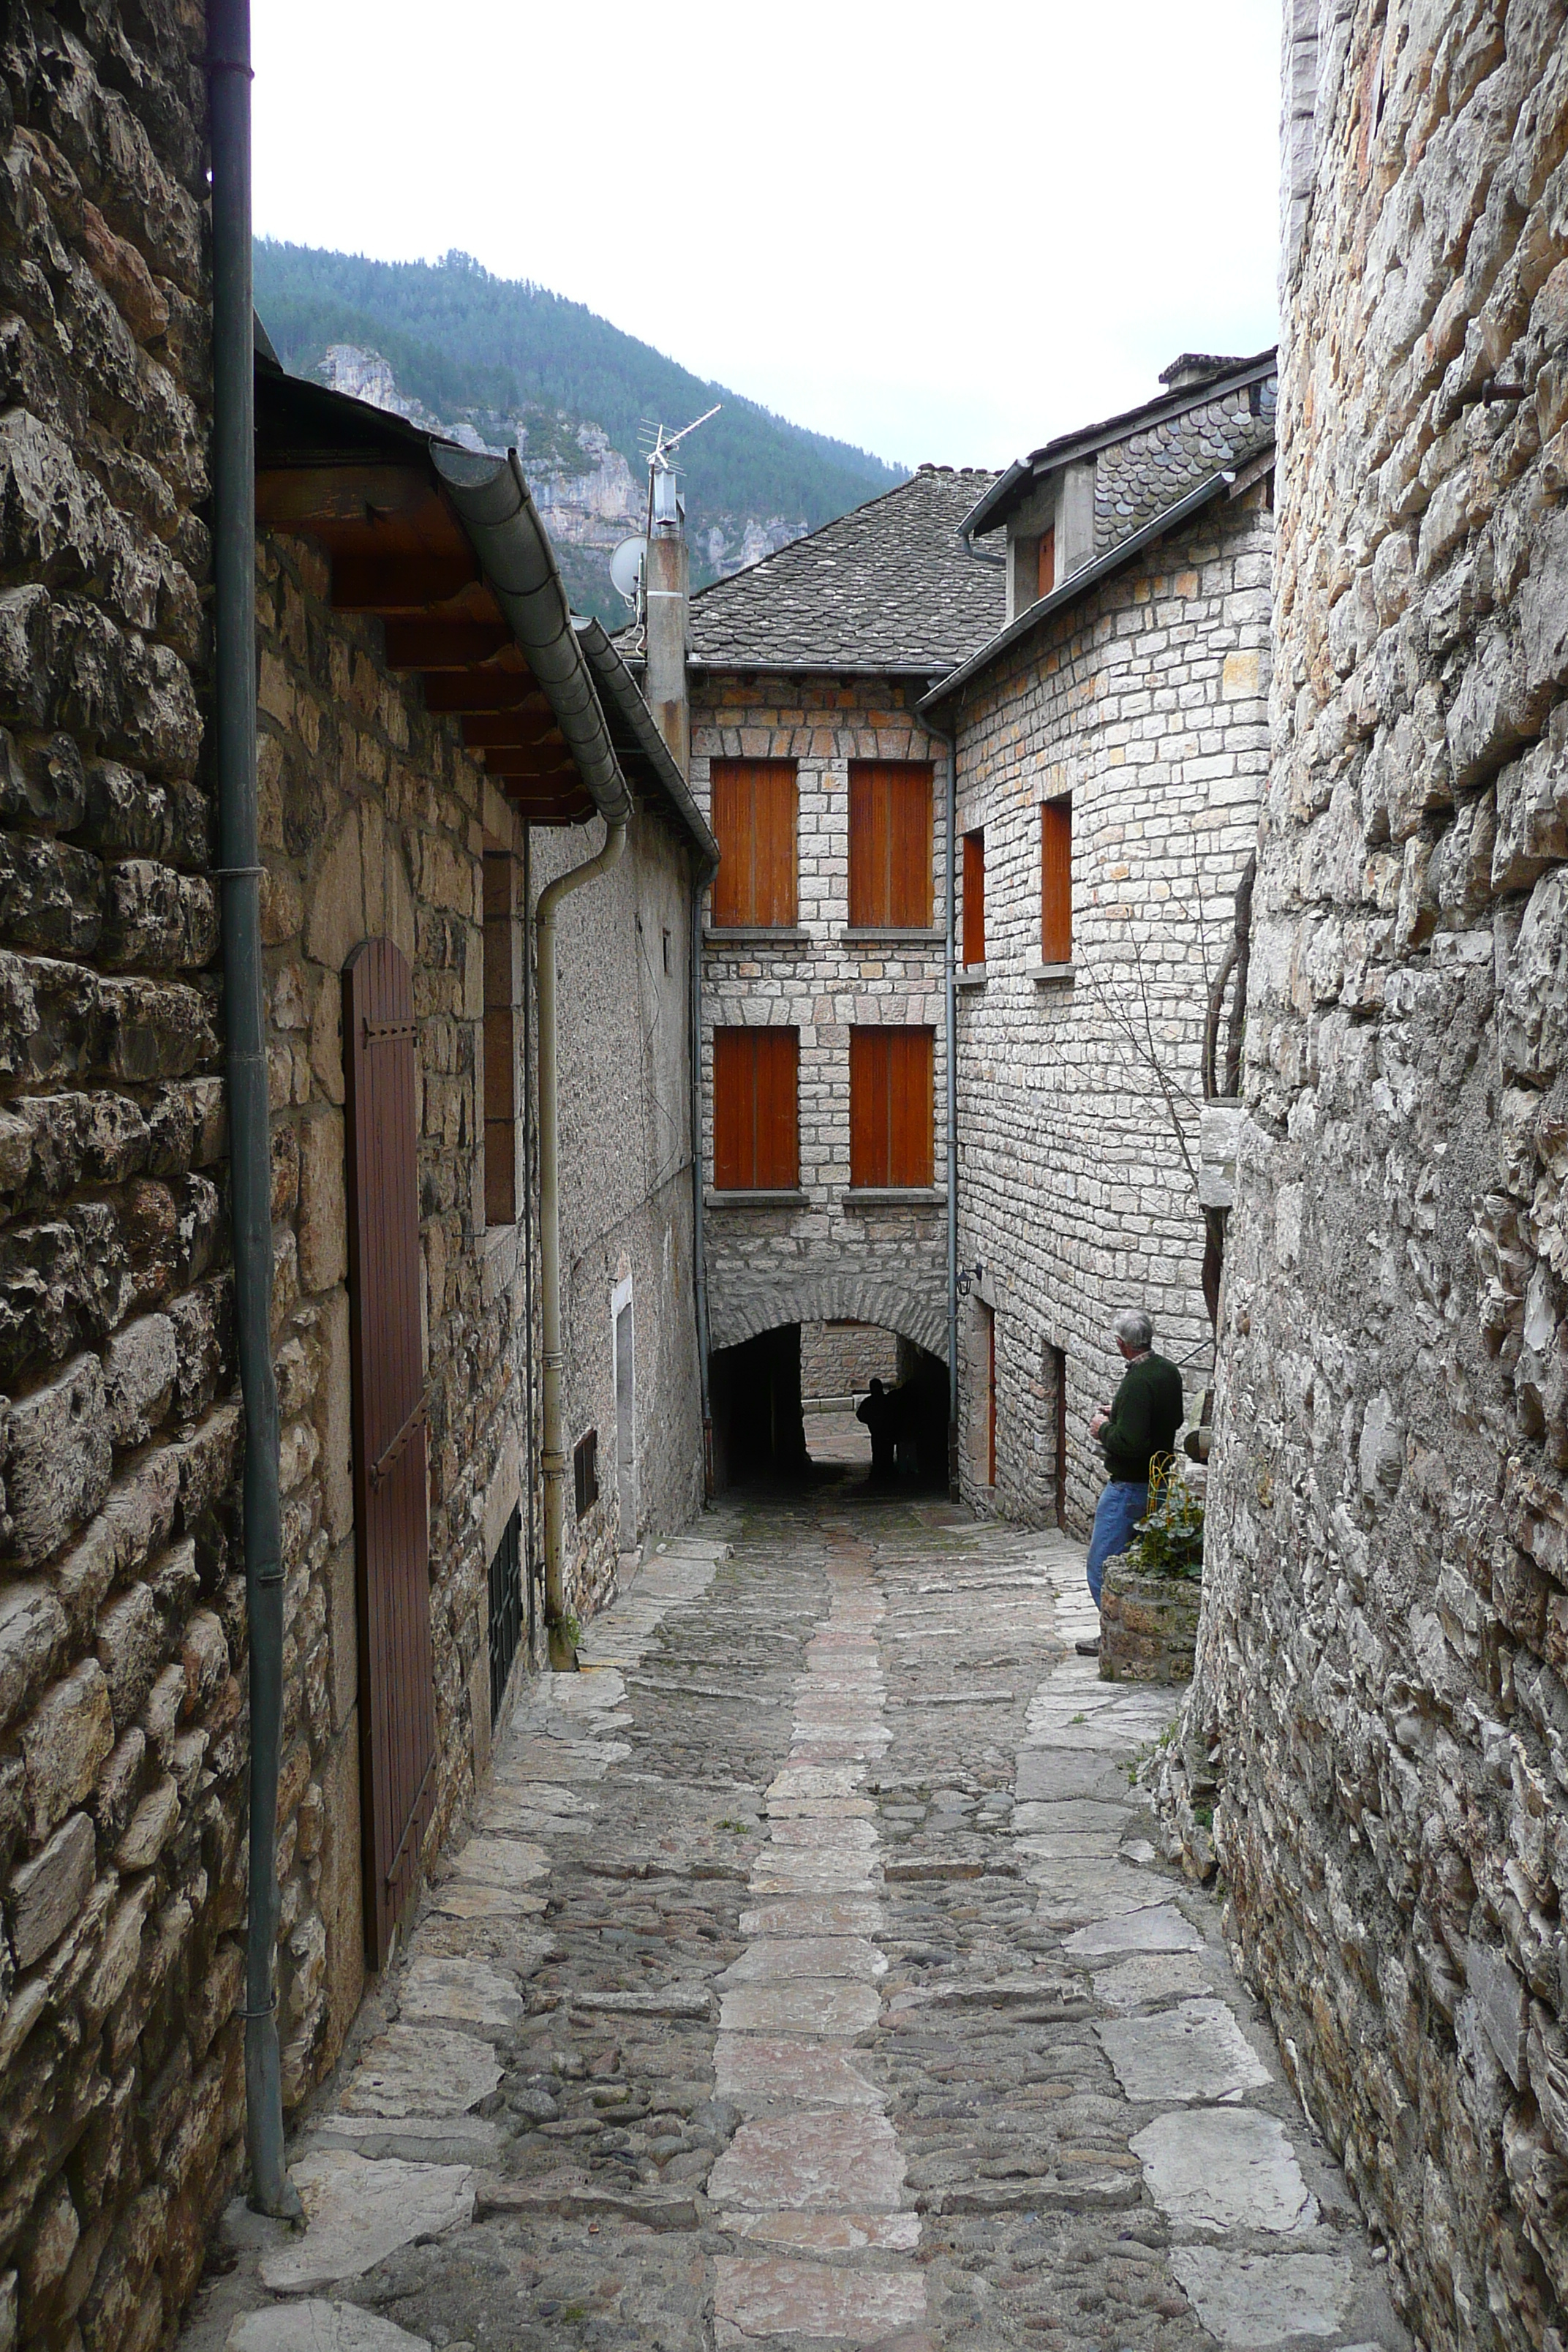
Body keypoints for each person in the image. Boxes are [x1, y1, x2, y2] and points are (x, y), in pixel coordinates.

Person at [1077, 1307, 1183, 1656]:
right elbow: (1173, 1418)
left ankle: (1113, 1633)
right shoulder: (1167, 1371)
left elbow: (1132, 1442)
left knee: (1102, 1563)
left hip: (1129, 1486)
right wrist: (1120, 1413)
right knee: (1140, 1559)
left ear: (1122, 1345)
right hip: (1160, 1479)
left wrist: (1103, 1428)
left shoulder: (1138, 1381)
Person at [856, 1377, 899, 1483]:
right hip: (886, 1431)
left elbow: (860, 1415)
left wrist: (871, 1421)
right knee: (886, 1453)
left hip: (878, 1432)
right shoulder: (888, 1400)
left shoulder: (869, 1402)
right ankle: (887, 1474)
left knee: (878, 1453)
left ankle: (880, 1474)